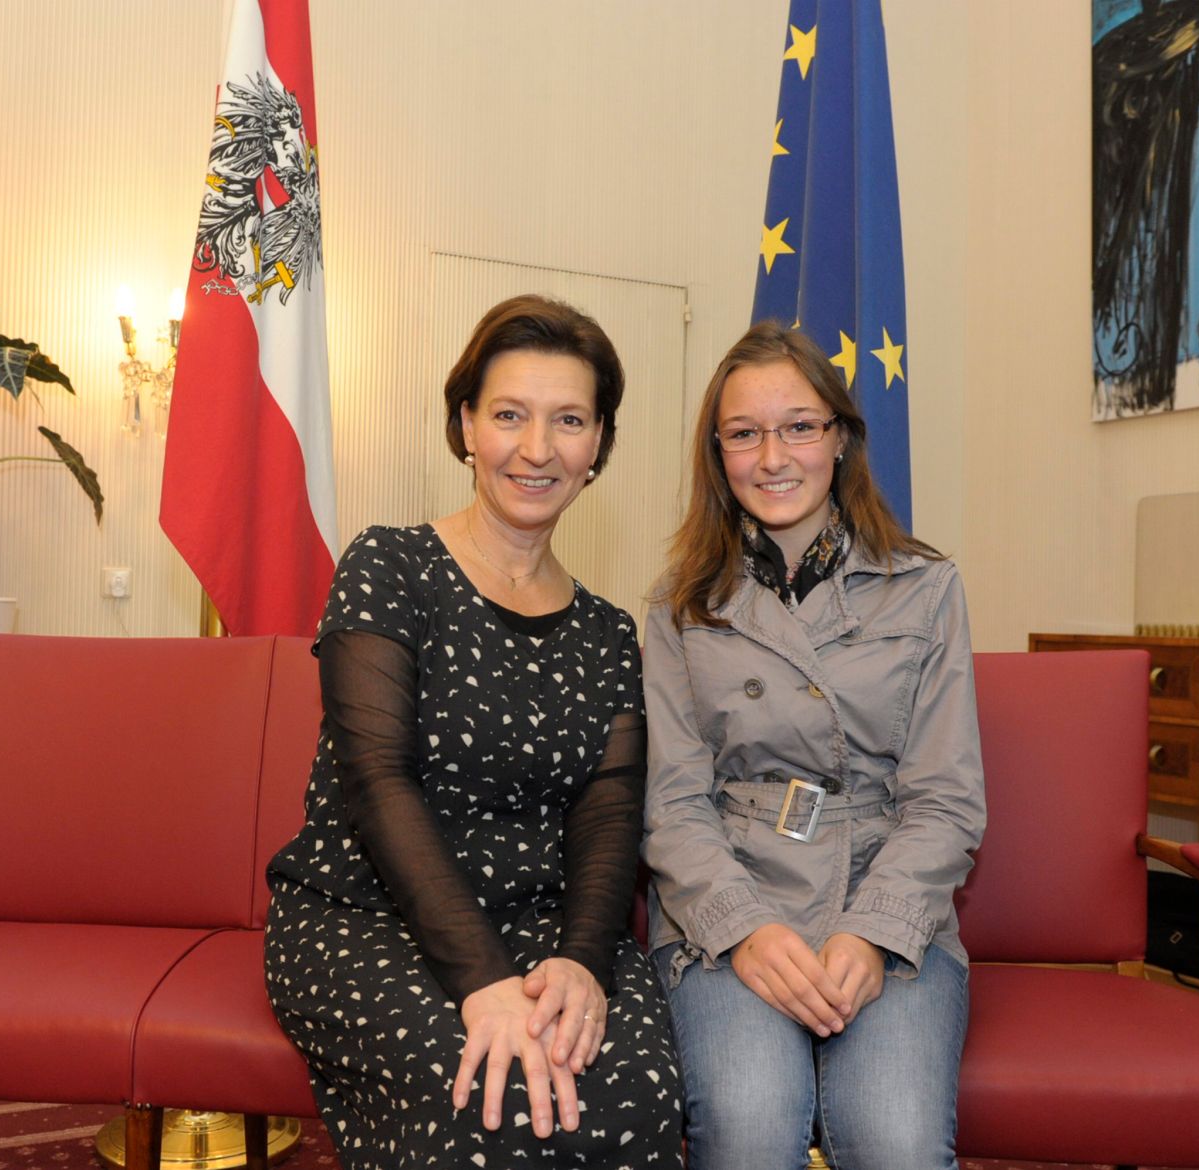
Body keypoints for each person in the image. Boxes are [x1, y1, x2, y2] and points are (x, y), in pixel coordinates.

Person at [265, 294, 682, 1170]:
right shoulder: (388, 567)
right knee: (490, 1105)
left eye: (569, 419)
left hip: (545, 922)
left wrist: (580, 963)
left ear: (599, 443)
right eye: (509, 416)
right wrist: (484, 985)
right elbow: (377, 784)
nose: (538, 449)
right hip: (369, 916)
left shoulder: (610, 633)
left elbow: (609, 816)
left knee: (634, 1093)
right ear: (465, 424)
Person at [642, 322, 985, 1170]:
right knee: (751, 1127)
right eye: (744, 434)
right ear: (717, 454)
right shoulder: (678, 607)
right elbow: (674, 805)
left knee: (896, 1142)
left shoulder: (928, 589)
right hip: (729, 907)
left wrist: (874, 933)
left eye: (799, 426)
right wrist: (745, 930)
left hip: (887, 900)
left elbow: (945, 799)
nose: (773, 456)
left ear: (839, 438)